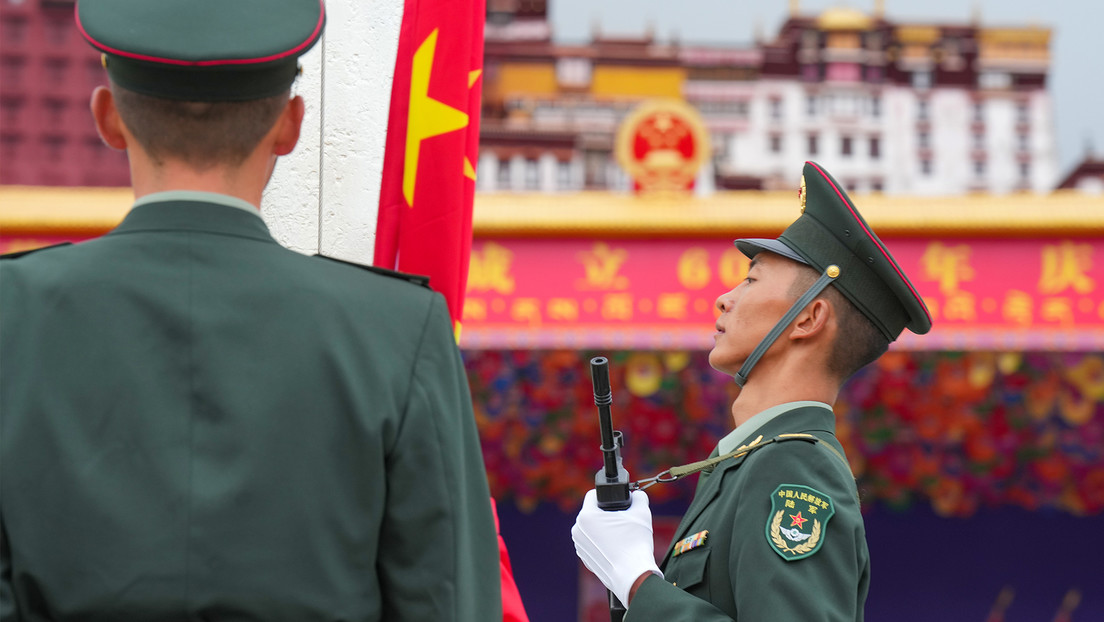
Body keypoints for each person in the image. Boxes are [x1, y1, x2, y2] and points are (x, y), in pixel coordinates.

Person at [0, 1, 501, 619]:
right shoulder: (399, 334)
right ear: (290, 125)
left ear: (107, 117)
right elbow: (447, 601)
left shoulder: (11, 317)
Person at [572, 161, 932, 621]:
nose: (725, 298)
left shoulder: (793, 466)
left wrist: (637, 580)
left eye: (752, 279)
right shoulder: (746, 464)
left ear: (808, 319)